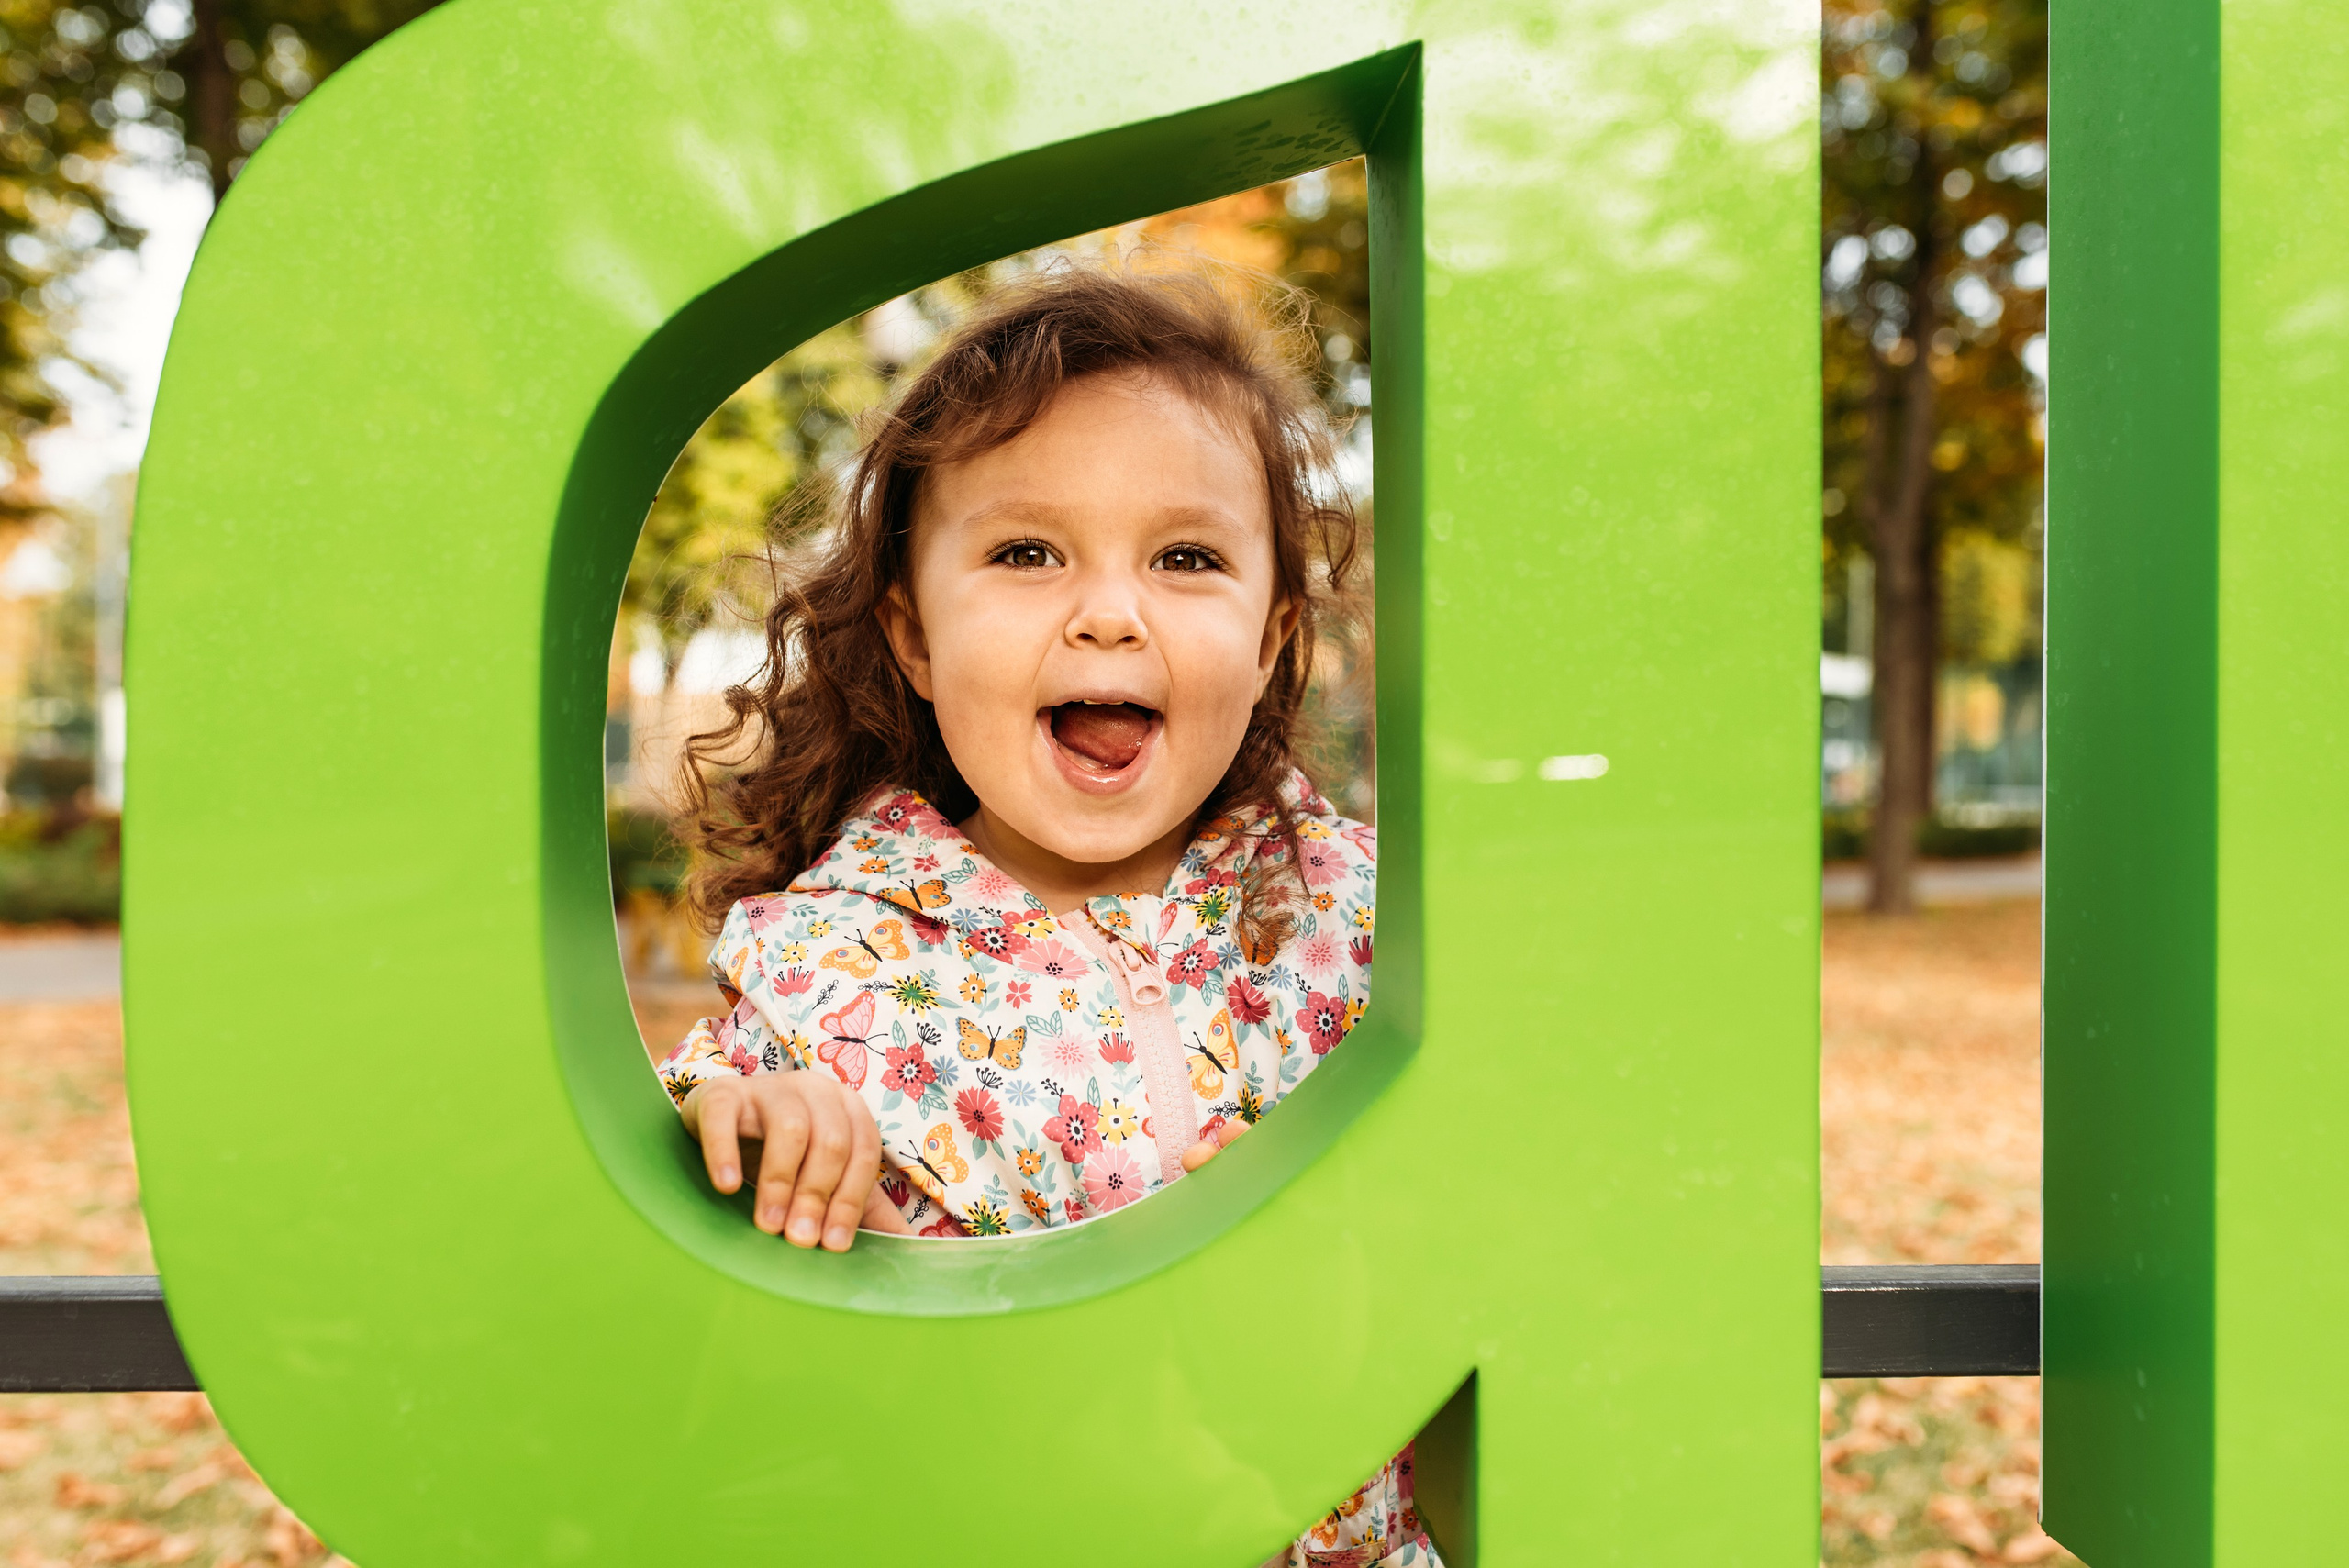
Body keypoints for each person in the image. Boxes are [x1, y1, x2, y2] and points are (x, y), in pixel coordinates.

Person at [653, 265, 1431, 1568]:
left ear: (1270, 634)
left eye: (1187, 557)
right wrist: (754, 1119)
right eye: (1027, 552)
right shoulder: (836, 962)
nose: (1111, 612)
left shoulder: (1365, 921)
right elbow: (714, 1120)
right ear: (910, 634)